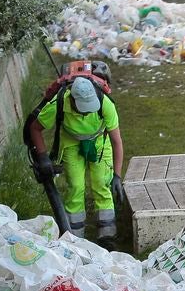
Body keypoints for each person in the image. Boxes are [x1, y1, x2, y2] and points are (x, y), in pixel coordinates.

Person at [27, 76, 124, 246]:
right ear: (72, 100)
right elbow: (35, 128)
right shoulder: (59, 104)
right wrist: (42, 157)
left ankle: (107, 236)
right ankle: (75, 238)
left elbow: (116, 140)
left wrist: (117, 175)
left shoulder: (105, 103)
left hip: (99, 142)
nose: (87, 112)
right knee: (76, 186)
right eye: (83, 109)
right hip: (72, 143)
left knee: (102, 183)